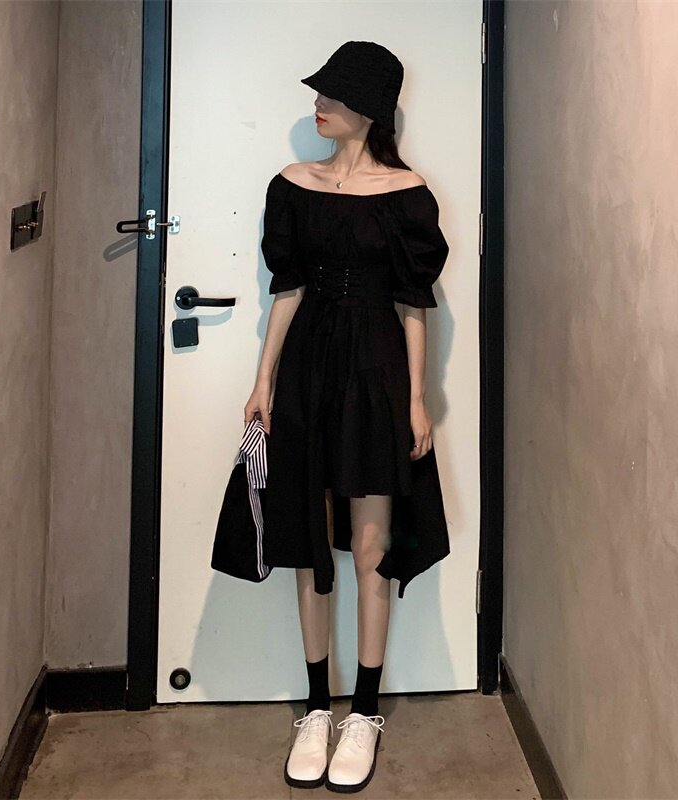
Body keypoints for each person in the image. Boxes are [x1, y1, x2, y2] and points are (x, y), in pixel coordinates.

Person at [243, 40, 451, 794]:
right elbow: (288, 289)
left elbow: (413, 303)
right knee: (308, 539)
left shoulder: (406, 193)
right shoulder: (292, 185)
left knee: (370, 546)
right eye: (319, 94)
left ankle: (363, 712)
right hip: (307, 372)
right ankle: (315, 708)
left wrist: (417, 398)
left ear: (369, 108)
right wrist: (263, 380)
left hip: (376, 375)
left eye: (332, 96)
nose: (318, 106)